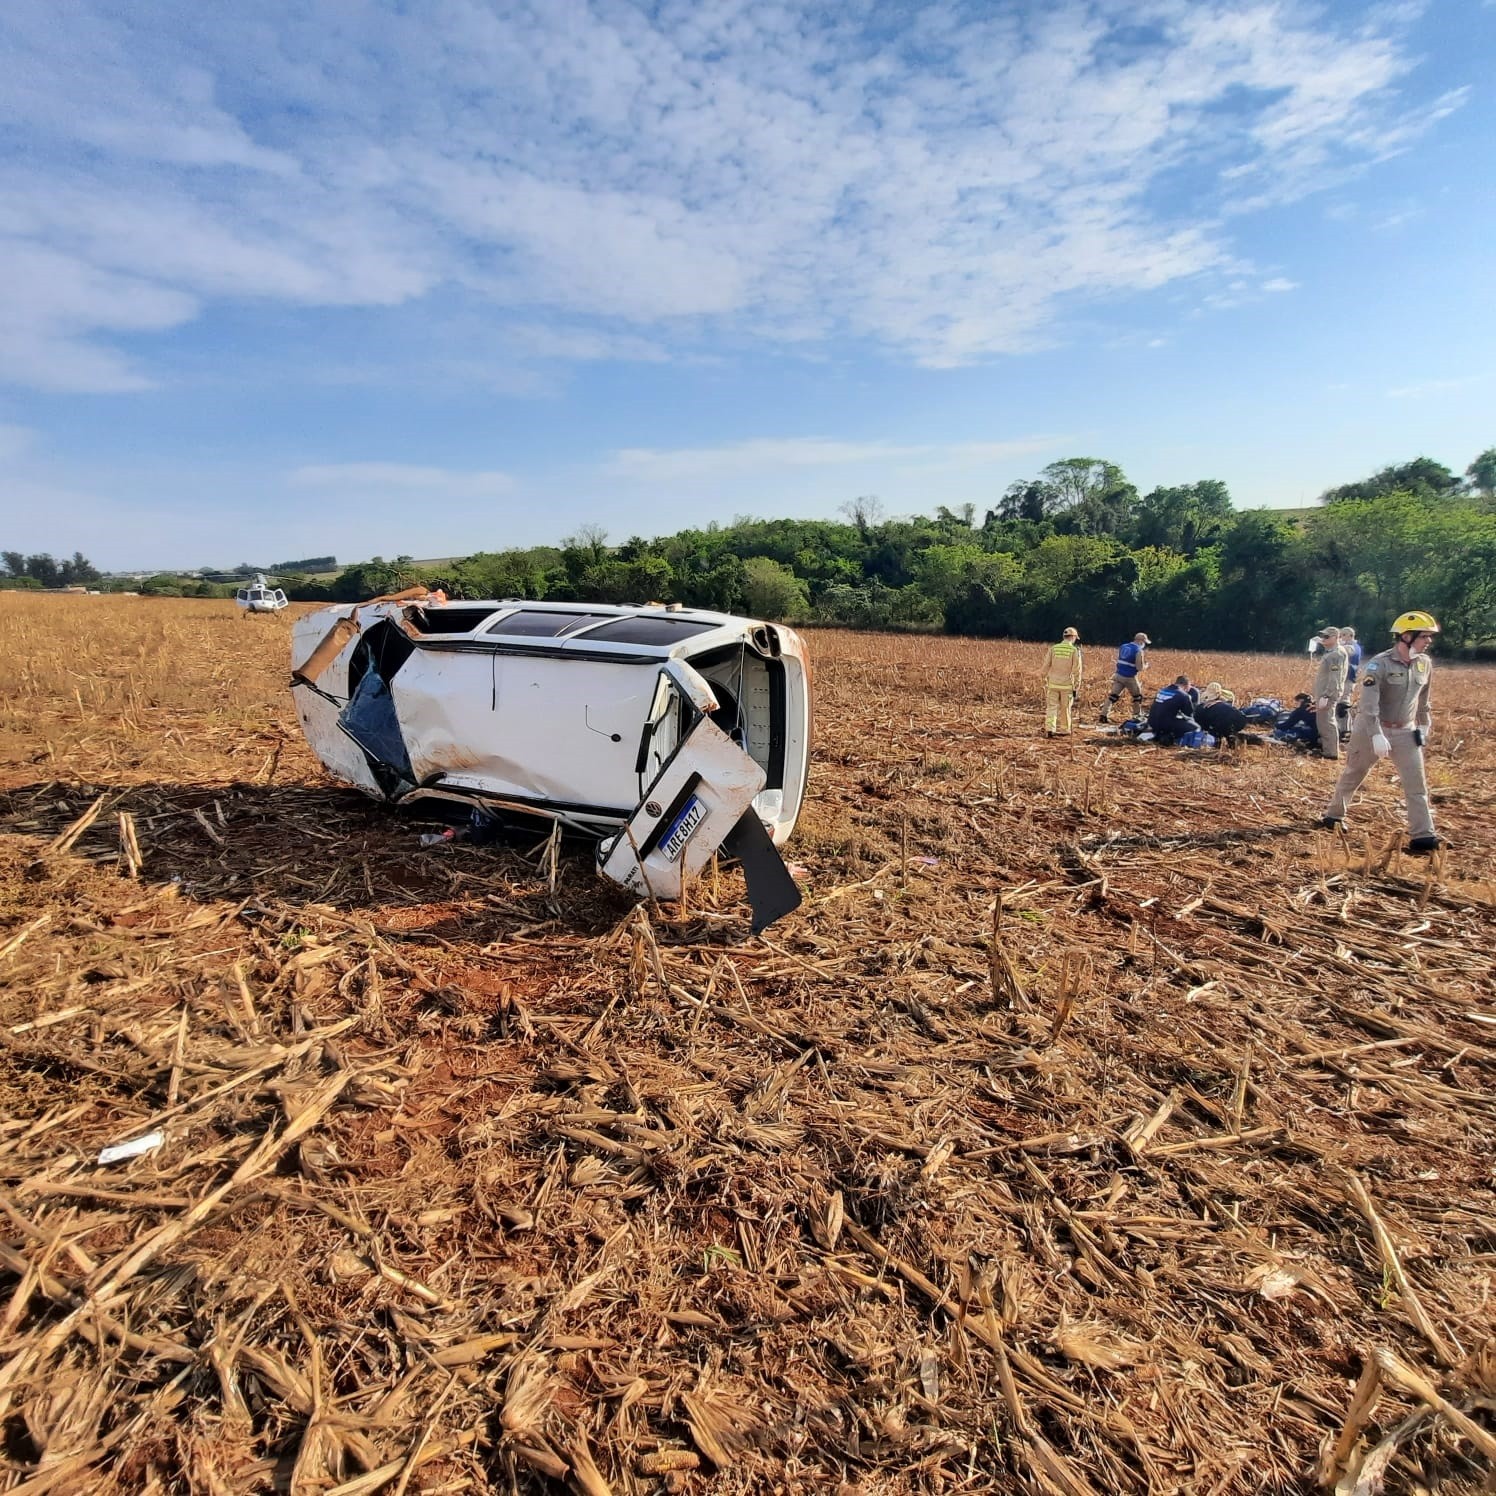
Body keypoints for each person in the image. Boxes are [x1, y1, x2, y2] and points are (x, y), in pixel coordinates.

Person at [1321, 611, 1441, 853]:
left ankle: (1423, 836)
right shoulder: (1380, 664)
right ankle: (1334, 815)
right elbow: (1368, 704)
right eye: (1424, 637)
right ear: (1406, 636)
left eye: (1429, 637)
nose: (1428, 641)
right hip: (1371, 730)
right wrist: (1376, 734)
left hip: (1406, 732)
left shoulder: (1424, 664)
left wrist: (1424, 724)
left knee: (1417, 785)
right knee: (1354, 772)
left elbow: (1424, 700)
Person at [1310, 627, 1348, 760]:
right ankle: (1328, 748)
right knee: (1324, 722)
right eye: (1323, 637)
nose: (1324, 639)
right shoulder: (1333, 651)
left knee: (1327, 722)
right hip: (1325, 693)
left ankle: (1330, 752)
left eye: (1327, 637)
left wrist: (1327, 695)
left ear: (1335, 638)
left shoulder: (1336, 654)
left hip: (1328, 694)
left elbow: (1335, 678)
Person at [1041, 627, 1083, 736]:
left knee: (1051, 707)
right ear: (1073, 637)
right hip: (1067, 685)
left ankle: (1050, 729)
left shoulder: (1054, 648)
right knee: (1065, 708)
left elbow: (1046, 665)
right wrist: (1077, 686)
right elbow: (1077, 670)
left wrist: (1043, 678)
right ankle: (1065, 730)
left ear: (1064, 637)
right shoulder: (1074, 650)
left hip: (1053, 684)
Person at [1100, 632, 1150, 723]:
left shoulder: (1123, 646)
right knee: (1137, 696)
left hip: (1118, 675)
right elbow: (1139, 667)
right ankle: (1137, 716)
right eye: (1144, 642)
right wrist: (1146, 665)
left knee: (1113, 696)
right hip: (1129, 677)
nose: (1144, 644)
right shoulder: (1138, 650)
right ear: (1140, 641)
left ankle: (1103, 715)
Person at [1146, 676, 1201, 744]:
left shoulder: (1162, 690)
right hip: (1165, 724)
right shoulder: (1183, 695)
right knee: (1195, 727)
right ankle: (1171, 738)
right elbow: (1189, 714)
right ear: (1186, 686)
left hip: (1151, 722)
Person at [1337, 625, 1362, 736]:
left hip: (1348, 680)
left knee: (1343, 705)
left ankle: (1346, 730)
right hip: (1345, 679)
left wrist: (1335, 643)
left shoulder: (1354, 647)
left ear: (1350, 636)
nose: (1341, 637)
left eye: (1342, 635)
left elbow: (1349, 651)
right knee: (1340, 705)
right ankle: (1343, 728)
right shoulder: (1349, 646)